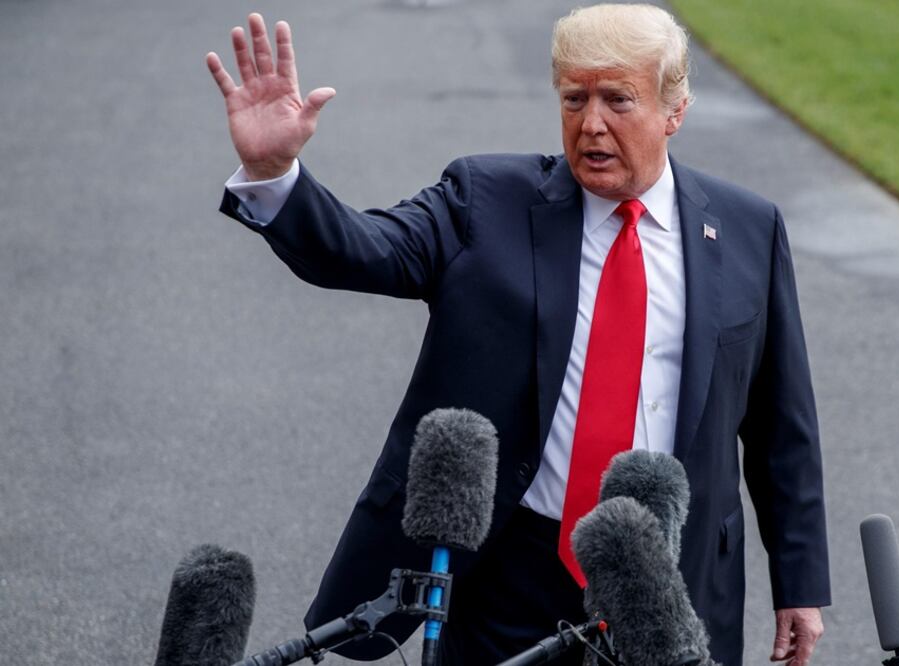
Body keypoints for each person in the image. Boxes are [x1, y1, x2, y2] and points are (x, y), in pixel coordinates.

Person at [207, 5, 830, 665]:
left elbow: (779, 426)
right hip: (511, 569)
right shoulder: (485, 199)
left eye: (617, 100)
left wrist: (800, 585)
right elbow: (365, 250)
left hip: (667, 579)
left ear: (673, 111)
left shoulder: (746, 229)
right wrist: (278, 176)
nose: (590, 124)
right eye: (573, 99)